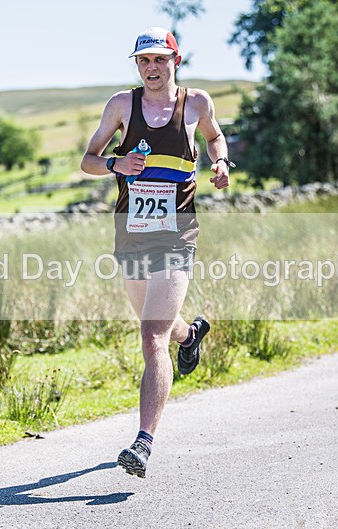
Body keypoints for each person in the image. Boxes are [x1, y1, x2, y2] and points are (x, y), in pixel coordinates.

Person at [80, 26, 233, 478]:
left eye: (158, 60)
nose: (151, 68)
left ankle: (143, 442)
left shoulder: (197, 103)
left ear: (175, 61)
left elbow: (216, 138)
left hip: (177, 233)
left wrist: (221, 163)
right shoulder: (120, 105)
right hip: (132, 232)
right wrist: (114, 163)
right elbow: (88, 159)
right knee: (159, 325)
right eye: (143, 61)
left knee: (150, 337)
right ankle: (191, 335)